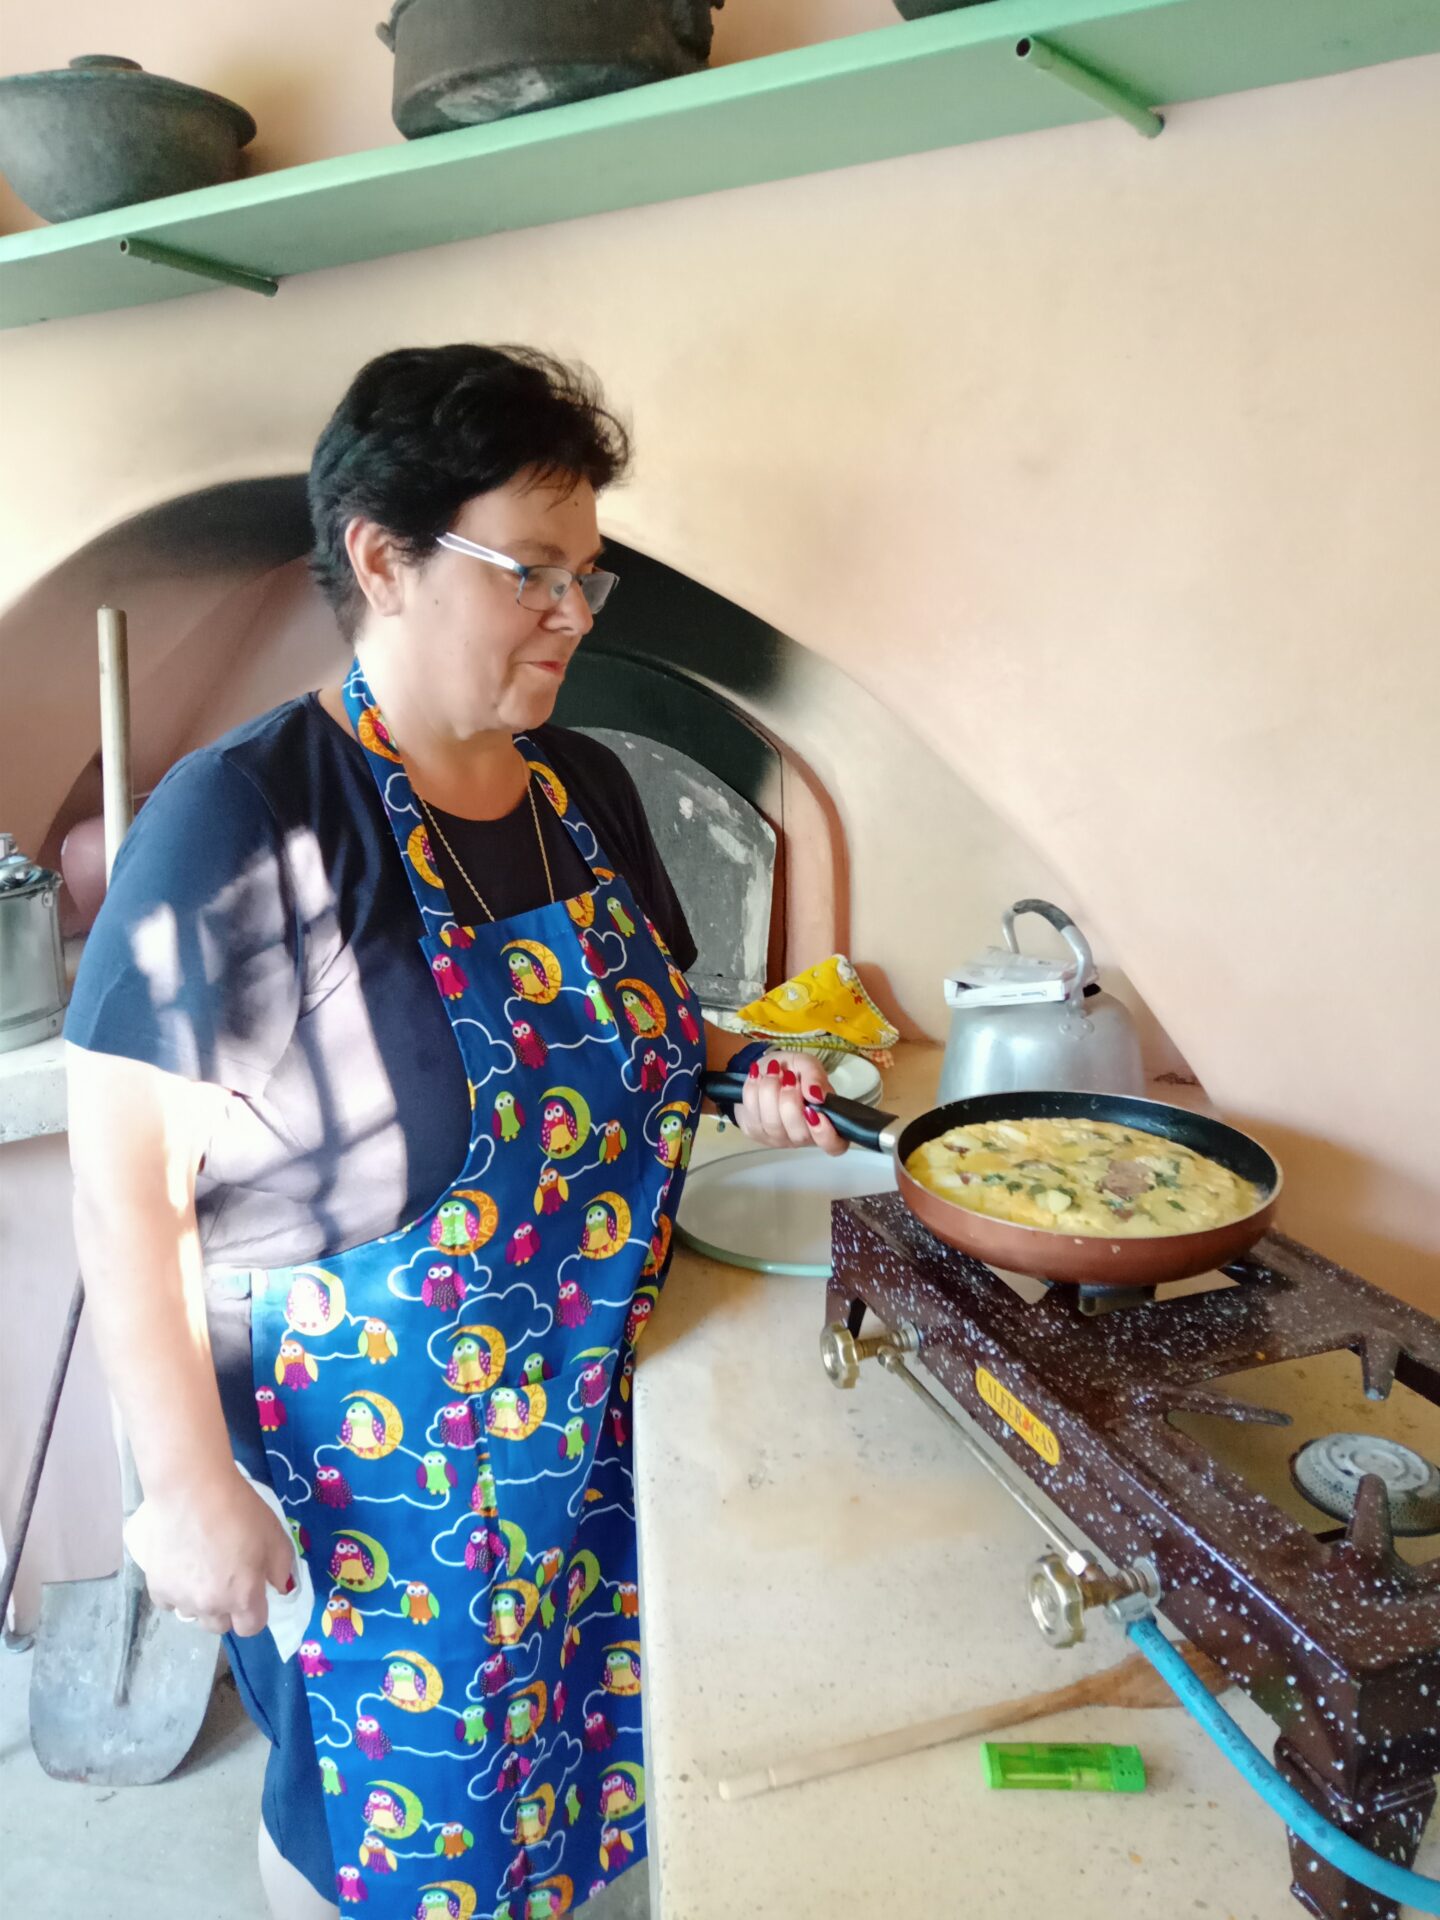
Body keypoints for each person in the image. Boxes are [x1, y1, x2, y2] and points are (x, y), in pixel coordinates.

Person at [65, 344, 843, 1920]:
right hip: (381, 1481)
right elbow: (125, 1183)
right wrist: (188, 1484)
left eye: (585, 576)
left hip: (588, 1425)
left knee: (574, 1784)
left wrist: (737, 1069)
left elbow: (638, 1028)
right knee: (384, 1836)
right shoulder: (253, 816)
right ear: (383, 559)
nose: (573, 612)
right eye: (530, 571)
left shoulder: (585, 791)